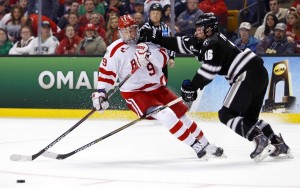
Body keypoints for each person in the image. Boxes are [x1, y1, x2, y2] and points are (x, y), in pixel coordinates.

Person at [139, 12, 292, 162]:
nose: (197, 31)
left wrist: (191, 87)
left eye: (200, 28)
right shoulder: (205, 41)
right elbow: (179, 43)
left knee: (226, 115)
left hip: (247, 74)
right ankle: (278, 144)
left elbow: (208, 71)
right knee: (248, 120)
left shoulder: (212, 42)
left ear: (210, 29)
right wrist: (157, 38)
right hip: (259, 74)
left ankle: (260, 140)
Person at [92, 14, 224, 159]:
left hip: (157, 87)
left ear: (137, 28)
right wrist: (100, 93)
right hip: (135, 93)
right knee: (164, 113)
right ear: (120, 32)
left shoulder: (148, 39)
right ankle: (195, 145)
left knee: (183, 116)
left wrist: (148, 54)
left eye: (132, 30)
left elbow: (164, 59)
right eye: (126, 31)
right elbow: (106, 73)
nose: (130, 35)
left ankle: (206, 144)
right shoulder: (115, 50)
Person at [140, 3, 175, 80]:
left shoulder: (165, 28)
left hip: (162, 60)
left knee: (163, 84)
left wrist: (172, 57)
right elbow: (138, 45)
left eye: (157, 13)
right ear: (149, 14)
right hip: (148, 62)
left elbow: (170, 43)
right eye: (153, 13)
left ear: (161, 14)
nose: (155, 15)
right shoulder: (144, 28)